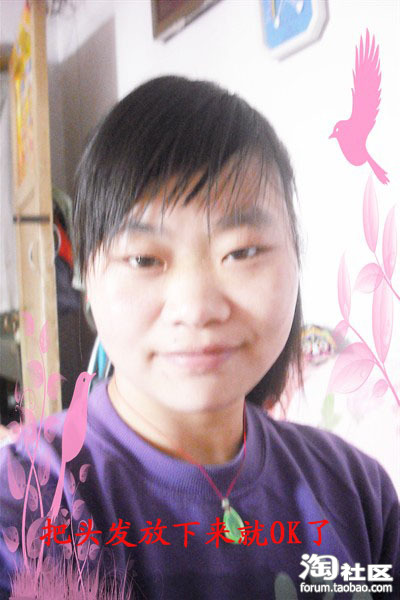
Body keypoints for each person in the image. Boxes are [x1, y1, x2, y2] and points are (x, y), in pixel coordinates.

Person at [0, 76, 398, 600]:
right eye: (144, 259)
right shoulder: (26, 508)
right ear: (88, 280)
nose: (197, 308)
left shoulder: (358, 493)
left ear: (296, 258)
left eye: (243, 251)